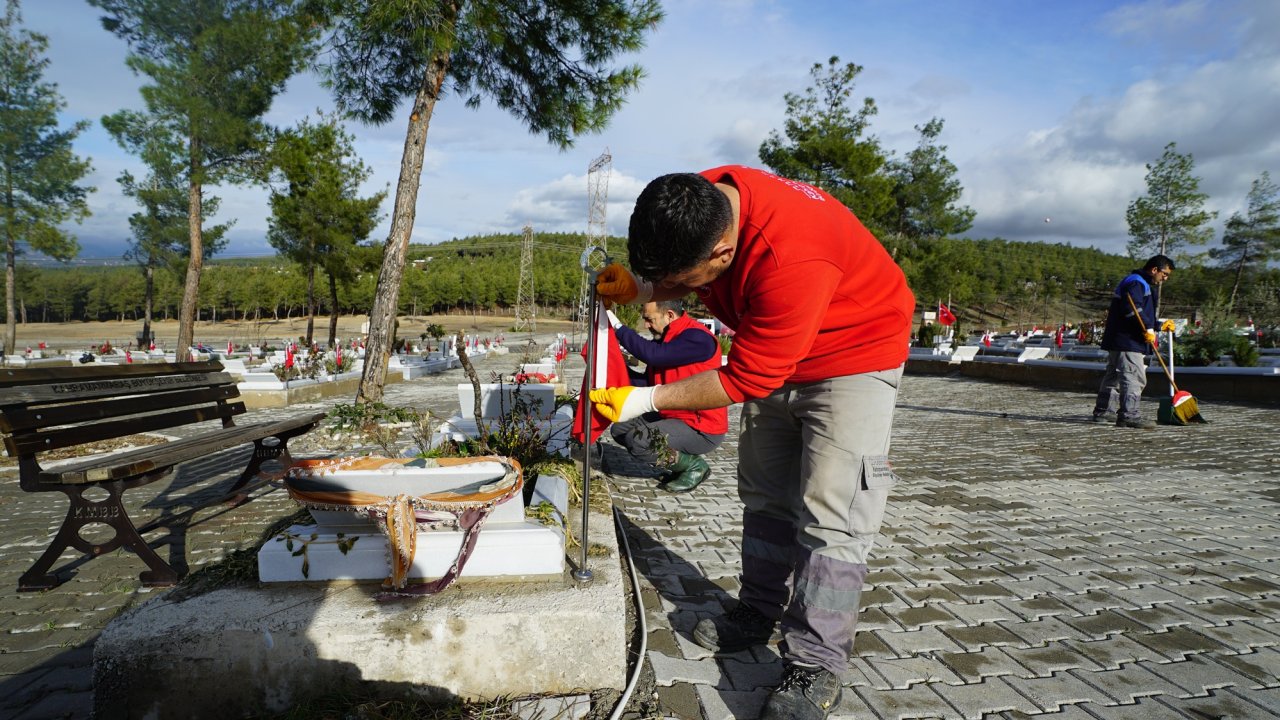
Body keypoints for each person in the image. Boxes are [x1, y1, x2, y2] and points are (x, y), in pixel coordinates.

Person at [591, 166, 915, 720]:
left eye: (682, 280)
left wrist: (643, 402)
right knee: (764, 494)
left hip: (854, 358)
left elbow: (744, 379)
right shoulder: (702, 198)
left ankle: (816, 663)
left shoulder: (795, 257)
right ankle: (757, 611)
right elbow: (737, 338)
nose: (678, 290)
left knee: (831, 515)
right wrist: (642, 286)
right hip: (777, 349)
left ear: (722, 252)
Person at [606, 299, 728, 492]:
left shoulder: (698, 338)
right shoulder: (666, 339)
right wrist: (611, 370)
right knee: (620, 430)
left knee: (639, 441)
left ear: (669, 315)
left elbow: (653, 355)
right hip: (671, 414)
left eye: (649, 319)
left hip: (700, 427)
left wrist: (618, 327)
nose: (646, 325)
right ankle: (676, 463)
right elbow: (648, 383)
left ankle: (693, 466)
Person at [1092, 255, 1174, 429]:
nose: (1165, 278)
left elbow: (1137, 313)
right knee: (1133, 377)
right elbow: (1132, 310)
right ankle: (1129, 415)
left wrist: (1157, 326)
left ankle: (1104, 411)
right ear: (1154, 270)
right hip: (1128, 341)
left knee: (1113, 376)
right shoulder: (1137, 283)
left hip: (1119, 339)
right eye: (1165, 274)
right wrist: (1149, 328)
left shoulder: (1136, 282)